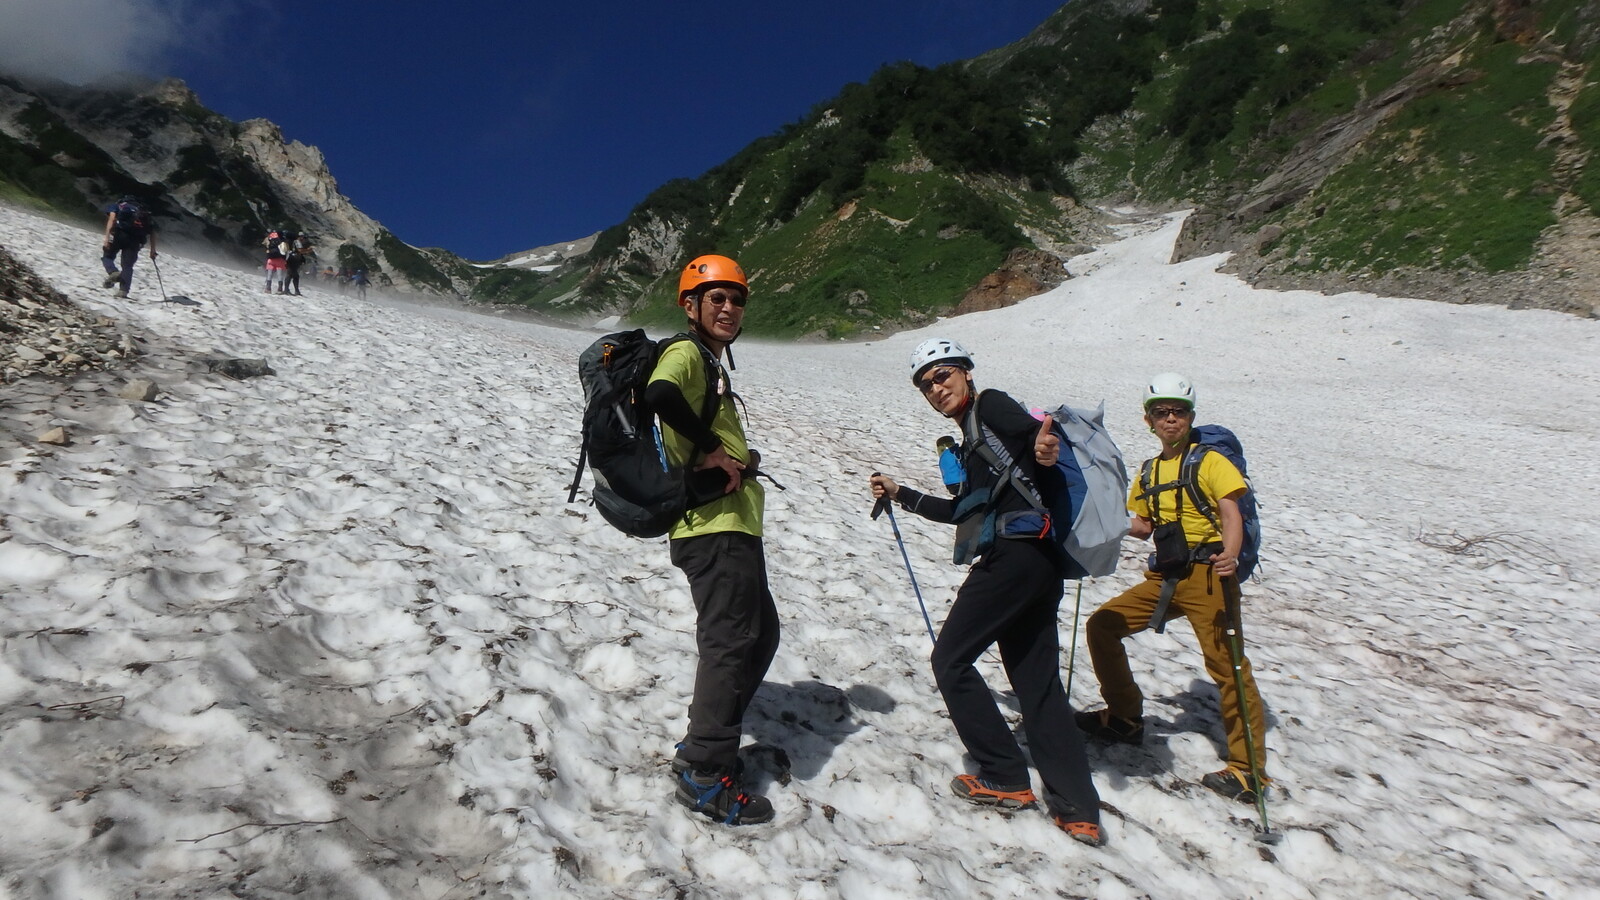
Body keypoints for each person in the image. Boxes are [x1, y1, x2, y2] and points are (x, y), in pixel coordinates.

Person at [868, 339, 1104, 847]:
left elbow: (1038, 441)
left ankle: (1004, 775)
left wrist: (1045, 449)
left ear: (967, 374)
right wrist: (901, 494)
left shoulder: (991, 404)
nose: (936, 387)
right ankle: (1078, 809)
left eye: (943, 374)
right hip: (1039, 565)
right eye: (926, 383)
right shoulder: (972, 444)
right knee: (1037, 684)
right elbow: (964, 513)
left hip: (1014, 559)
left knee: (950, 660)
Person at [1074, 373, 1270, 803]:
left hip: (1210, 576)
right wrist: (1100, 521)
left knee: (1229, 666)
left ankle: (1248, 768)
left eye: (1178, 412)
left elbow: (1230, 511)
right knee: (1103, 625)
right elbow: (1143, 526)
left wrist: (1231, 555)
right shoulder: (1148, 471)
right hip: (1166, 576)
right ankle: (1124, 718)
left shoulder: (1211, 462)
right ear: (1149, 420)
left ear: (1190, 416)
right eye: (1161, 412)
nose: (1170, 420)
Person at [649, 254, 778, 827]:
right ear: (691, 305)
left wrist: (737, 454)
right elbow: (659, 396)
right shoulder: (684, 352)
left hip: (733, 524)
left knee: (759, 636)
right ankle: (706, 773)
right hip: (713, 527)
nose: (729, 307)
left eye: (737, 298)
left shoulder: (710, 363)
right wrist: (706, 447)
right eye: (716, 298)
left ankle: (705, 741)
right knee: (730, 643)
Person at [100, 196, 156, 299]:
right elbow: (152, 231)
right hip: (135, 241)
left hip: (120, 235)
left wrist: (107, 237)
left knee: (107, 256)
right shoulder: (143, 212)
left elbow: (112, 219)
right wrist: (153, 250)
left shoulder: (118, 206)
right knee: (127, 266)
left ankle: (113, 272)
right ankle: (123, 291)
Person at [263, 230, 288, 294]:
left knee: (269, 274)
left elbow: (265, 245)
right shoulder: (282, 240)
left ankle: (268, 288)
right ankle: (280, 289)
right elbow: (285, 251)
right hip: (279, 260)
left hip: (270, 259)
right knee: (279, 275)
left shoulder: (269, 238)